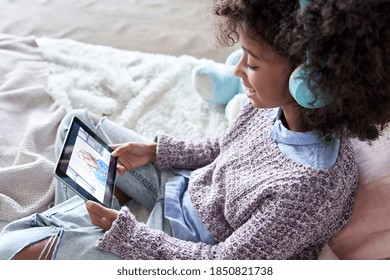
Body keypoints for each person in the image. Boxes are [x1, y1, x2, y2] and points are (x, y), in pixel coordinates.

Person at [0, 0, 389, 260]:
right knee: (79, 123)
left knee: (10, 248)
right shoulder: (273, 110)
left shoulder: (307, 192)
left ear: (312, 85)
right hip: (180, 187)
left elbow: (222, 265)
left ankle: (81, 221)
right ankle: (84, 217)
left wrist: (129, 234)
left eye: (251, 64)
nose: (237, 71)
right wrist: (156, 151)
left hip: (176, 240)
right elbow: (227, 145)